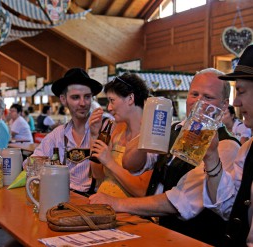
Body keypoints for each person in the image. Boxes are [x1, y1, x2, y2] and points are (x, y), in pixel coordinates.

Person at [89, 68, 241, 246]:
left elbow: (180, 201)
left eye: (208, 97)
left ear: (224, 105)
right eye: (194, 94)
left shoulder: (226, 145)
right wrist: (149, 129)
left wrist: (117, 203)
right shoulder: (175, 129)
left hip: (193, 240)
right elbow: (132, 165)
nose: (198, 102)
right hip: (159, 232)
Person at [202, 45, 253, 246]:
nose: (237, 102)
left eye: (240, 91)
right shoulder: (248, 149)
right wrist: (212, 156)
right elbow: (230, 208)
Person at [28, 67, 103, 196]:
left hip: (96, 199)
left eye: (87, 97)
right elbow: (30, 163)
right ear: (63, 100)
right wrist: (49, 168)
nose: (83, 103)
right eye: (75, 97)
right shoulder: (58, 134)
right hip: (64, 196)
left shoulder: (105, 127)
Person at [89, 73, 151, 198]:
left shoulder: (151, 135)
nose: (109, 108)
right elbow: (97, 174)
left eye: (112, 100)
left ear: (130, 98)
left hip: (129, 212)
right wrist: (94, 135)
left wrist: (110, 162)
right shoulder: (116, 129)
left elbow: (141, 191)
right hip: (101, 202)